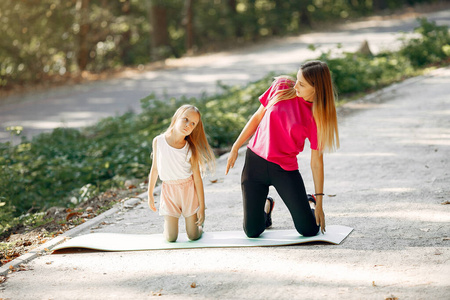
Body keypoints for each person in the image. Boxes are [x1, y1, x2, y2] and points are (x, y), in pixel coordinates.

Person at [225, 60, 339, 238]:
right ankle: (267, 207)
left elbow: (317, 162)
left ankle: (309, 201)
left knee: (308, 229)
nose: (296, 86)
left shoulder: (317, 116)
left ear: (316, 89)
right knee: (252, 231)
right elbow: (257, 117)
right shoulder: (282, 86)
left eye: (301, 84)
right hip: (255, 164)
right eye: (296, 80)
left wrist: (320, 203)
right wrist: (235, 146)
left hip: (284, 170)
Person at [148, 104, 215, 242]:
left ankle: (199, 227)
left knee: (193, 236)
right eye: (185, 119)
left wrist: (202, 207)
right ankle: (168, 227)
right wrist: (149, 195)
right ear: (177, 117)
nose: (188, 125)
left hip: (188, 191)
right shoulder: (158, 141)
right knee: (171, 238)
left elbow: (197, 179)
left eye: (193, 123)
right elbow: (154, 169)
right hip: (169, 191)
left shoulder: (190, 148)